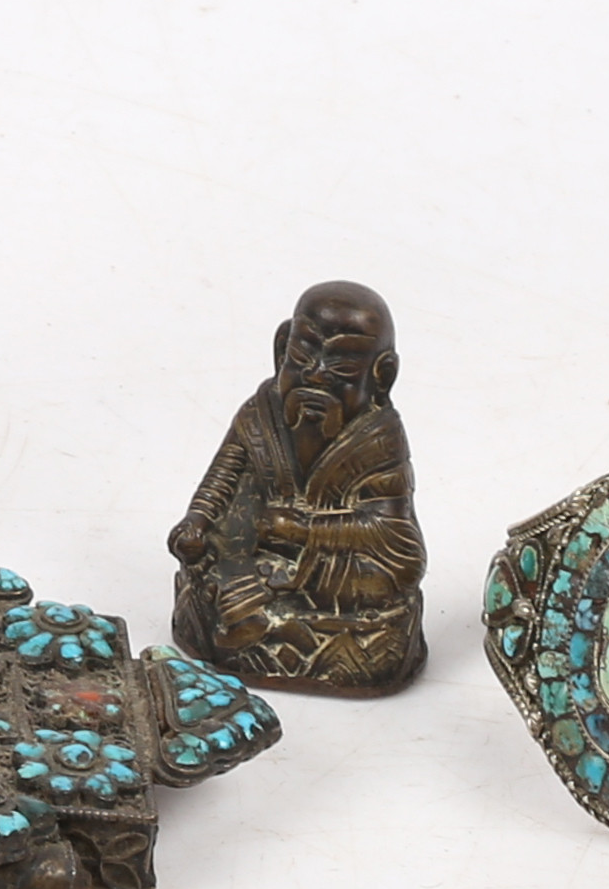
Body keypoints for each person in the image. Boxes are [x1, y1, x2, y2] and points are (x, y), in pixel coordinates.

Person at [168, 280, 427, 695]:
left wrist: (306, 530)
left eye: (342, 368)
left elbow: (393, 532)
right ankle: (255, 615)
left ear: (382, 376)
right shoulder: (261, 411)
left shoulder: (380, 435)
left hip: (332, 564)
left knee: (389, 577)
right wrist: (196, 521)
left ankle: (267, 619)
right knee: (215, 545)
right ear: (281, 350)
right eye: (303, 356)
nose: (316, 375)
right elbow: (224, 475)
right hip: (258, 548)